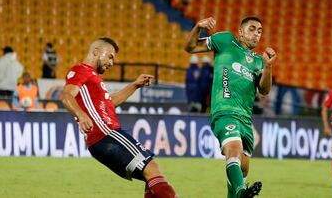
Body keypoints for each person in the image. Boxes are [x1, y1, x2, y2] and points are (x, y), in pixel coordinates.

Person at [61, 37, 177, 198]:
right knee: (152, 168)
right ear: (96, 52)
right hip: (106, 134)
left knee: (150, 179)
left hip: (102, 141)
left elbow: (111, 102)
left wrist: (135, 85)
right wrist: (80, 115)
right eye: (110, 56)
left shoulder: (92, 77)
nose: (112, 62)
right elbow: (66, 95)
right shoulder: (81, 70)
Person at [185, 17, 277, 197]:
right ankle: (242, 192)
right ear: (241, 32)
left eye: (259, 31)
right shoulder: (225, 40)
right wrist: (198, 27)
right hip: (225, 111)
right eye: (252, 29)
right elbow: (190, 47)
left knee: (241, 171)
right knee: (233, 150)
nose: (256, 34)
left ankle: (238, 191)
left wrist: (268, 67)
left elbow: (264, 90)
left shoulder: (258, 61)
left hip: (245, 118)